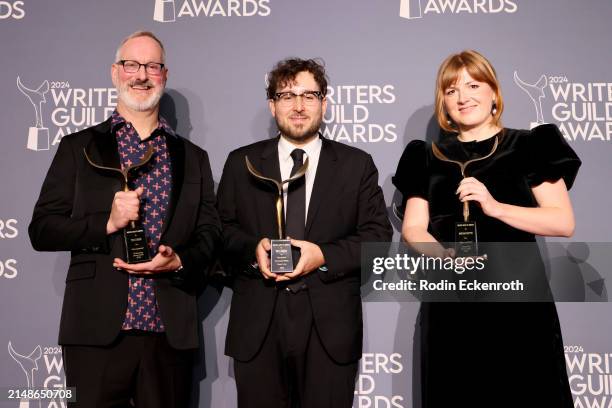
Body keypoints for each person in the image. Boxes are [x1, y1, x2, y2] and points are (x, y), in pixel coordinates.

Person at [28, 31, 221, 407]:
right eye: (131, 64)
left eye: (152, 65)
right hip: (96, 332)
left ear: (164, 75)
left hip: (168, 331)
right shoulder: (77, 147)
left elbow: (210, 234)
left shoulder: (194, 157)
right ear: (115, 73)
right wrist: (106, 222)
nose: (141, 74)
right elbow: (42, 228)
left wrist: (180, 260)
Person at [393, 50, 580, 407]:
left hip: (518, 305)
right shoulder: (425, 156)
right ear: (443, 102)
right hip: (452, 305)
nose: (463, 97)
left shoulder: (529, 145)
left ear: (494, 93)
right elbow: (414, 228)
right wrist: (446, 257)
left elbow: (562, 221)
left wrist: (495, 207)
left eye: (473, 85)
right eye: (451, 90)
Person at [217, 58, 392, 407]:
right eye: (286, 96)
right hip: (259, 325)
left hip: (328, 325)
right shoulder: (242, 163)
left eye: (309, 95)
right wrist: (254, 249)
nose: (298, 106)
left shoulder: (356, 165)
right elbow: (218, 231)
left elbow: (377, 236)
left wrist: (323, 255)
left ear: (324, 103)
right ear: (272, 105)